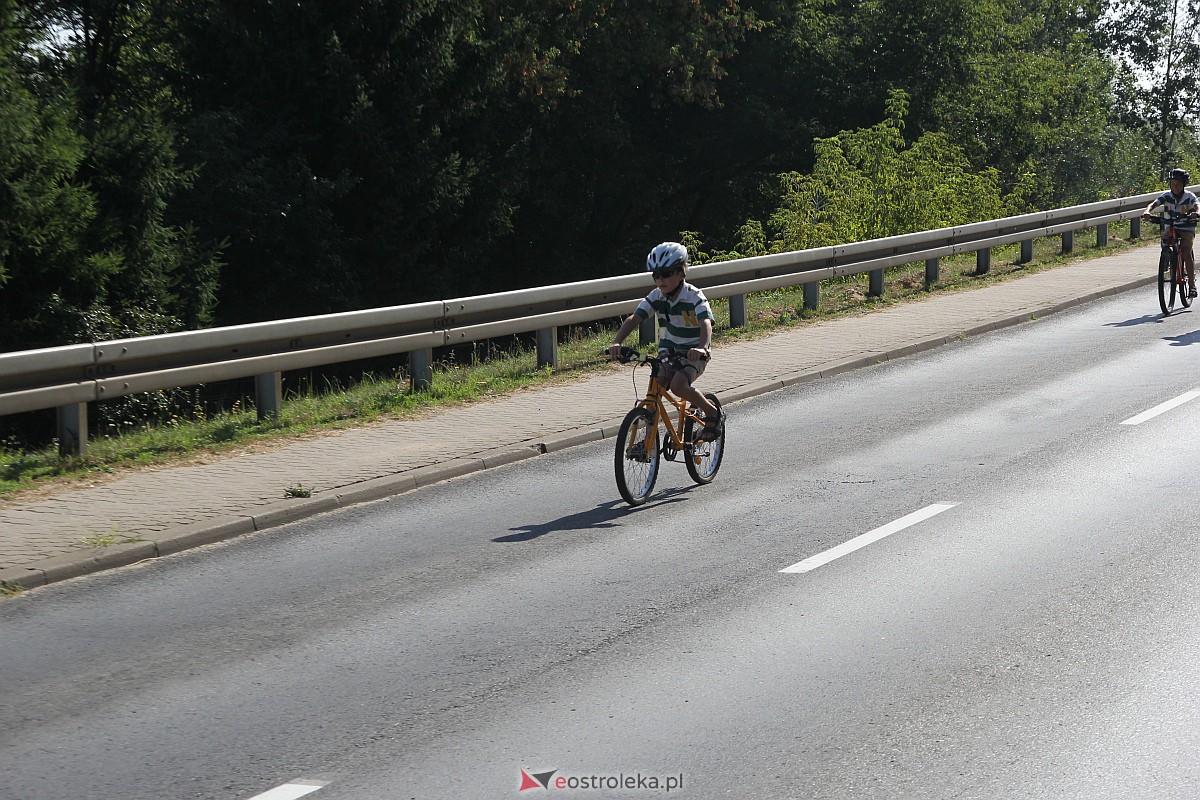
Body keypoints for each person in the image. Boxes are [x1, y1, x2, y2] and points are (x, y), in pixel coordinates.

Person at [608, 241, 725, 440]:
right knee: (654, 390)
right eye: (656, 275)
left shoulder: (694, 296)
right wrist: (617, 342)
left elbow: (705, 322)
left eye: (666, 274)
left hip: (692, 354)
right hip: (668, 353)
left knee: (679, 386)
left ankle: (712, 411)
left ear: (681, 273)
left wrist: (702, 348)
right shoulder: (656, 296)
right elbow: (635, 318)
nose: (660, 280)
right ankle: (647, 442)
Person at [1143, 168, 1200, 297]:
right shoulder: (1166, 196)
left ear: (1184, 184)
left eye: (1178, 184)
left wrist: (1196, 213)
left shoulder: (1189, 196)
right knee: (1165, 241)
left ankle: (1191, 285)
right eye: (1172, 184)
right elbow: (1154, 204)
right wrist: (1147, 212)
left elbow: (1197, 205)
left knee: (1186, 252)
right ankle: (1167, 259)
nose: (1175, 187)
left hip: (1186, 227)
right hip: (1171, 226)